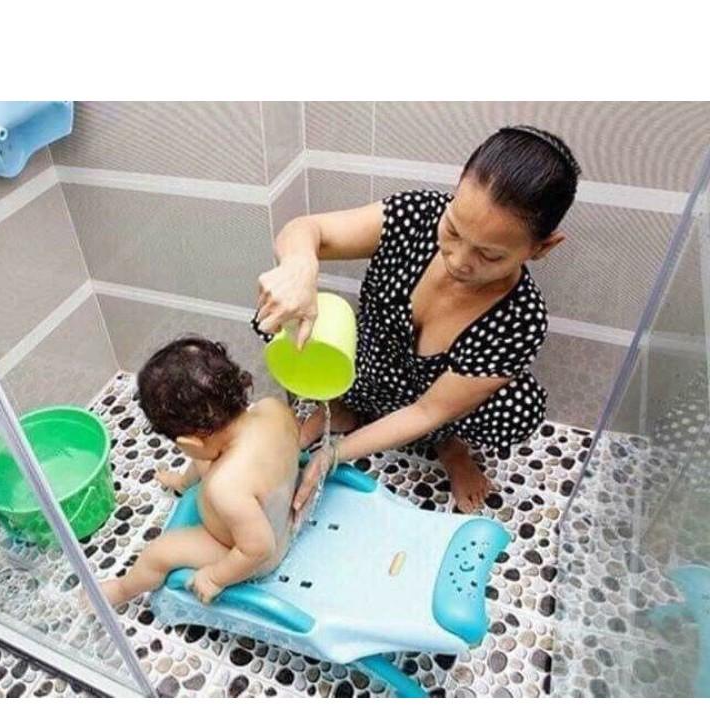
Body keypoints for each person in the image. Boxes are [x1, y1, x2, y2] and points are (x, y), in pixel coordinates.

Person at [255, 125, 581, 514]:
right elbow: (308, 230)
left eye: (489, 255)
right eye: (453, 229)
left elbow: (427, 411)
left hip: (430, 403)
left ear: (542, 248)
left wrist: (332, 455)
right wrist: (299, 269)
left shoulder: (521, 320)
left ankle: (448, 446)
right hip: (367, 365)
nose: (458, 260)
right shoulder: (417, 215)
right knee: (277, 313)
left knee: (519, 407)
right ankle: (344, 407)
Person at [98, 337, 300, 606]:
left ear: (188, 443)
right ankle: (184, 483)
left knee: (159, 553)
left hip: (255, 556)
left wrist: (216, 577)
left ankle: (122, 590)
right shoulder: (272, 408)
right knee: (211, 454)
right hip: (281, 512)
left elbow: (260, 548)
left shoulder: (225, 486)